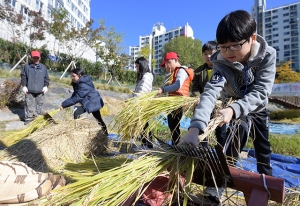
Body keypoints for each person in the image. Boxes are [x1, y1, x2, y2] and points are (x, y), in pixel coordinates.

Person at [180, 10, 276, 203]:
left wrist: (235, 110)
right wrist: (194, 128)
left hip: (256, 108)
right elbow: (210, 92)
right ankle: (216, 187)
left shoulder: (268, 55)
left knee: (262, 149)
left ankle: (268, 186)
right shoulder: (221, 61)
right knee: (227, 147)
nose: (228, 52)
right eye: (223, 47)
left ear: (252, 38)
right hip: (228, 106)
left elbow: (260, 93)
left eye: (235, 46)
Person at [191, 41, 226, 147]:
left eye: (211, 53)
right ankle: (203, 155)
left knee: (221, 133)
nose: (208, 56)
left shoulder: (224, 69)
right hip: (203, 105)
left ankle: (222, 157)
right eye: (205, 54)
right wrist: (197, 97)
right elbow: (195, 88)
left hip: (219, 106)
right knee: (202, 132)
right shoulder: (198, 71)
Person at [158, 52, 194, 145]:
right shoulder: (174, 72)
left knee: (174, 127)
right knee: (172, 126)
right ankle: (176, 147)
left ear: (176, 60)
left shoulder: (181, 71)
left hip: (178, 103)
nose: (167, 65)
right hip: (173, 103)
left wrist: (163, 89)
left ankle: (177, 148)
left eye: (169, 62)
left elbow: (178, 85)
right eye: (165, 64)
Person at [60, 68, 108, 135]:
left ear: (79, 75)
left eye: (74, 76)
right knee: (99, 119)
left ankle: (76, 131)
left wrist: (64, 105)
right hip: (90, 101)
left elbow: (78, 97)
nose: (72, 78)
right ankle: (106, 134)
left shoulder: (83, 84)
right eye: (71, 76)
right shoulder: (80, 82)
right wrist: (67, 103)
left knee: (77, 111)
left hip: (92, 102)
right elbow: (75, 94)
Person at [21, 50, 50, 125]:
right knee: (29, 105)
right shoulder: (26, 67)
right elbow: (23, 77)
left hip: (40, 91)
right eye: (34, 58)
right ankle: (28, 119)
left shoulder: (43, 68)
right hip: (29, 90)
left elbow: (46, 78)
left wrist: (46, 86)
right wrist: (24, 86)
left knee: (40, 105)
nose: (36, 59)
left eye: (37, 58)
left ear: (39, 58)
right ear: (31, 57)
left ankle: (38, 119)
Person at [133, 57, 154, 148]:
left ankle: (148, 145)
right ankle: (145, 143)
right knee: (143, 125)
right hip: (141, 103)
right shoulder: (143, 76)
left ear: (142, 66)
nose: (136, 68)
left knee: (144, 125)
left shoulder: (147, 77)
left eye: (137, 66)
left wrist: (135, 101)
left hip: (143, 104)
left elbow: (142, 92)